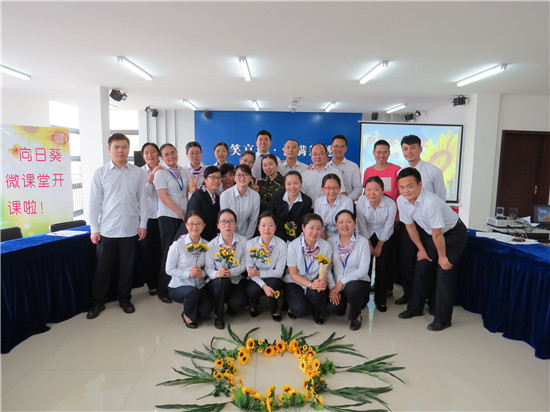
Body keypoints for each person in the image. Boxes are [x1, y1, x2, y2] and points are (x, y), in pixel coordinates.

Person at [396, 168, 468, 331]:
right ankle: (415, 308)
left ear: (420, 185)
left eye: (410, 186)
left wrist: (442, 257)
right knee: (422, 267)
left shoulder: (431, 202)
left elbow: (438, 234)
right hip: (433, 235)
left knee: (444, 273)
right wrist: (421, 249)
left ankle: (443, 319)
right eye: (402, 187)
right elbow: (410, 227)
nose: (406, 191)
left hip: (453, 235)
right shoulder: (401, 200)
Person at [87, 133, 148, 319]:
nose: (120, 150)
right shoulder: (100, 173)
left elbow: (142, 200)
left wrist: (143, 224)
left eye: (124, 147)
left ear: (129, 149)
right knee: (103, 268)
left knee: (127, 268)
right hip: (108, 230)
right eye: (116, 147)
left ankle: (124, 299)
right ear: (109, 149)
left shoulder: (138, 172)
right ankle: (98, 301)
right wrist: (94, 228)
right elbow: (93, 202)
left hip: (130, 229)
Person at [395, 134, 446, 306]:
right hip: (410, 222)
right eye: (405, 149)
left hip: (430, 224)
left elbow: (440, 199)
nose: (409, 152)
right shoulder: (402, 172)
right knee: (406, 259)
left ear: (420, 149)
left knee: (428, 261)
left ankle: (430, 299)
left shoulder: (433, 171)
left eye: (413, 148)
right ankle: (410, 295)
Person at [154, 143, 190, 304]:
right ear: (162, 158)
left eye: (173, 152)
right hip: (168, 216)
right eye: (166, 154)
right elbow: (163, 198)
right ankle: (162, 289)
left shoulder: (183, 171)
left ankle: (177, 285)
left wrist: (185, 211)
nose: (170, 156)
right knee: (169, 253)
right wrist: (180, 211)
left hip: (182, 217)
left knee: (181, 252)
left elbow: (185, 193)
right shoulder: (160, 173)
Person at [356, 176, 397, 312]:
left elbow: (389, 226)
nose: (371, 193)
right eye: (368, 190)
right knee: (365, 267)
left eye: (376, 189)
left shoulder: (390, 204)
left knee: (382, 268)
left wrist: (379, 245)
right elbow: (361, 224)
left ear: (383, 191)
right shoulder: (361, 202)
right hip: (366, 234)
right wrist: (368, 244)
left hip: (385, 236)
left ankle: (381, 300)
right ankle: (363, 299)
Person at [166, 211, 213, 329]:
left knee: (206, 311)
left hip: (198, 285)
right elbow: (169, 269)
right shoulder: (178, 245)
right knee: (192, 292)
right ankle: (187, 316)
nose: (195, 227)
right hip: (179, 286)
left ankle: (193, 306)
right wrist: (189, 274)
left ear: (203, 225)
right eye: (191, 224)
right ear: (186, 225)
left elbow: (209, 268)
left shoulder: (207, 245)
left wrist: (202, 274)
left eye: (198, 223)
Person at [283, 213, 332, 325]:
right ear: (303, 228)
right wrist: (310, 285)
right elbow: (293, 274)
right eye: (311, 228)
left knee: (317, 294)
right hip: (295, 281)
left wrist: (320, 282)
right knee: (299, 310)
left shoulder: (326, 246)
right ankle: (291, 303)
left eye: (318, 229)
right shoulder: (293, 246)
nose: (315, 232)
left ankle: (316, 310)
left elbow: (325, 269)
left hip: (315, 279)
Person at [326, 210, 371, 331]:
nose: (345, 225)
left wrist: (342, 282)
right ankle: (345, 302)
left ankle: (356, 315)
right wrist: (332, 287)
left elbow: (363, 270)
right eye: (341, 222)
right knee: (333, 309)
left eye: (348, 222)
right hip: (337, 283)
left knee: (352, 289)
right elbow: (327, 268)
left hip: (358, 282)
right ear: (336, 224)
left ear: (354, 223)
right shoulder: (330, 242)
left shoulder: (363, 242)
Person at [205, 209, 248, 329]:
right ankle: (218, 316)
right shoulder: (211, 245)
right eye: (223, 221)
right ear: (218, 225)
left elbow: (245, 265)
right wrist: (217, 273)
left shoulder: (243, 241)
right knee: (222, 282)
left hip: (235, 279)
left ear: (235, 224)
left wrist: (231, 272)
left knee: (238, 303)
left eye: (231, 221)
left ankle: (229, 304)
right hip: (218, 282)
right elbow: (208, 269)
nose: (227, 225)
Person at [245, 212, 286, 321]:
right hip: (255, 279)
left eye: (270, 225)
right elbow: (250, 272)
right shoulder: (250, 244)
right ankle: (254, 303)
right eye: (263, 225)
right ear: (258, 227)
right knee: (251, 290)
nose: (267, 229)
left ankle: (274, 308)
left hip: (273, 278)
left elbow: (279, 272)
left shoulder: (281, 244)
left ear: (275, 227)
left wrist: (259, 273)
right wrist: (263, 286)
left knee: (274, 283)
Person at [139, 142, 163, 296]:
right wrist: (152, 176)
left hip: (164, 216)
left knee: (162, 250)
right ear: (143, 156)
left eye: (153, 151)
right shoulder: (139, 172)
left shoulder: (166, 170)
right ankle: (152, 283)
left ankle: (163, 282)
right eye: (146, 152)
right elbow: (142, 195)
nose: (150, 155)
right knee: (147, 252)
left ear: (158, 154)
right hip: (147, 218)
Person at [176, 165, 222, 242]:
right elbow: (191, 217)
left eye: (219, 177)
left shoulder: (218, 198)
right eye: (213, 177)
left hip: (206, 239)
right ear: (205, 179)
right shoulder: (198, 195)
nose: (216, 180)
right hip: (191, 238)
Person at [268, 171, 313, 242]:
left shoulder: (307, 201)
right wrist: (286, 225)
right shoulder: (277, 197)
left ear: (301, 184)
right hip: (276, 235)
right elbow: (270, 216)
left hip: (297, 238)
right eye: (289, 184)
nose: (292, 187)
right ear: (285, 185)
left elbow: (304, 221)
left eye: (295, 183)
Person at [220, 164, 260, 239]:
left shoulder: (255, 196)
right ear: (234, 178)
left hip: (247, 237)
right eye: (239, 175)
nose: (242, 177)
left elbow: (253, 221)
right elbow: (225, 220)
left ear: (250, 178)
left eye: (245, 175)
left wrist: (246, 240)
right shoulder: (225, 195)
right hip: (228, 236)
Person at [313, 174, 354, 239]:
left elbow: (348, 225)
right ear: (323, 189)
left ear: (340, 188)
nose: (332, 191)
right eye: (328, 188)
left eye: (335, 188)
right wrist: (326, 242)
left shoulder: (347, 201)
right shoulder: (318, 202)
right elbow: (318, 225)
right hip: (324, 236)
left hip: (344, 235)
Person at [328, 135, 362, 201]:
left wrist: (347, 200)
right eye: (336, 146)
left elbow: (358, 188)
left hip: (348, 203)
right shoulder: (326, 167)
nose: (338, 149)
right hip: (328, 204)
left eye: (342, 147)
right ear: (331, 148)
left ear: (346, 149)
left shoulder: (353, 167)